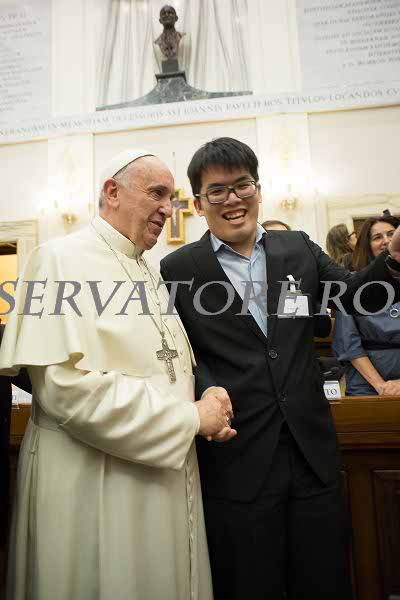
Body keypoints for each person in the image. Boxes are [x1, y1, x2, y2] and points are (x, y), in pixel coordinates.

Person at [160, 137, 400, 600]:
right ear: (199, 203)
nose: (233, 199)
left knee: (324, 580)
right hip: (236, 456)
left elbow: (358, 296)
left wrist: (394, 258)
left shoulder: (297, 248)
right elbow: (179, 351)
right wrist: (207, 394)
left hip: (312, 455)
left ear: (258, 188)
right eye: (217, 190)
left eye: (243, 185)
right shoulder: (177, 268)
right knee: (251, 584)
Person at [0, 148, 237, 600]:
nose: (168, 209)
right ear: (112, 192)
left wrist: (207, 399)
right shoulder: (59, 260)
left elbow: (166, 366)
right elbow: (66, 391)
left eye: (171, 198)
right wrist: (189, 418)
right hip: (93, 483)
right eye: (157, 194)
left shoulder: (146, 271)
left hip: (161, 477)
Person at [333, 215, 400, 396]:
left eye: (391, 234)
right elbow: (348, 343)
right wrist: (381, 386)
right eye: (378, 237)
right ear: (367, 246)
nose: (387, 241)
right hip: (367, 383)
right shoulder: (352, 285)